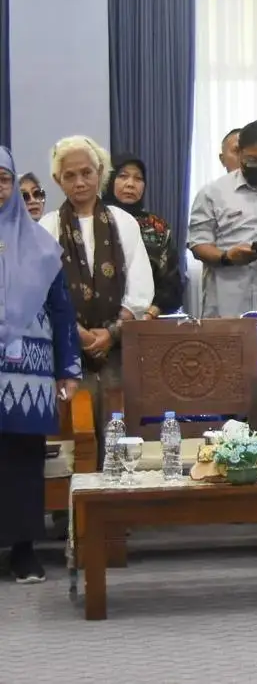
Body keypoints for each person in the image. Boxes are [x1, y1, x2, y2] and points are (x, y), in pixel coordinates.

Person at [40, 136, 154, 466]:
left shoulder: (123, 222)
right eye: (70, 175)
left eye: (86, 173)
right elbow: (42, 291)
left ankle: (118, 495)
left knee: (119, 433)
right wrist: (78, 333)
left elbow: (140, 287)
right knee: (75, 439)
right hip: (68, 352)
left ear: (100, 172)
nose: (79, 182)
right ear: (58, 180)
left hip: (119, 350)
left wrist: (111, 332)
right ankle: (75, 498)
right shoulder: (47, 227)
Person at [0, 148, 81, 584]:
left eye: (3, 179)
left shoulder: (41, 245)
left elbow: (62, 311)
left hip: (28, 372)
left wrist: (67, 369)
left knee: (23, 461)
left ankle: (23, 552)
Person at [188, 119, 257, 317]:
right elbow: (198, 244)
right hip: (226, 304)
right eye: (252, 160)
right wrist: (227, 257)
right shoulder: (212, 193)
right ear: (239, 153)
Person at [105, 154, 185, 317]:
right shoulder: (95, 220)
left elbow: (171, 283)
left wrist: (149, 314)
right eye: (123, 176)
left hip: (147, 318)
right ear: (109, 180)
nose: (130, 184)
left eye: (138, 178)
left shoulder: (157, 227)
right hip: (99, 318)